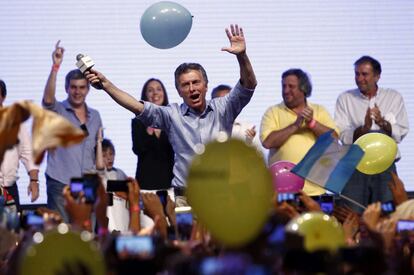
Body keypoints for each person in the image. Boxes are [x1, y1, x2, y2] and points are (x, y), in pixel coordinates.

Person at [85, 24, 257, 205]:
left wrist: (242, 56)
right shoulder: (171, 115)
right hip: (184, 198)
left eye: (196, 82)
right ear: (178, 90)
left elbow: (249, 85)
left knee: (220, 234)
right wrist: (107, 85)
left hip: (220, 195)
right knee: (183, 235)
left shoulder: (224, 108)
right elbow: (136, 106)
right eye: (185, 85)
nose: (192, 89)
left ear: (205, 85)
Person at [334, 55, 409, 212]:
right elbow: (342, 135)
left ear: (377, 76)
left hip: (385, 164)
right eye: (357, 74)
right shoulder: (345, 99)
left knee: (387, 213)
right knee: (351, 213)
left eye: (364, 74)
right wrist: (364, 128)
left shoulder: (393, 97)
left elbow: (401, 131)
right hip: (355, 165)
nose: (360, 78)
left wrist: (382, 122)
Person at [42, 41, 103, 221]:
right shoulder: (58, 110)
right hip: (60, 183)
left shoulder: (96, 116)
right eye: (73, 87)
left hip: (87, 184)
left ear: (88, 89)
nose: (77, 91)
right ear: (67, 88)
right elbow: (47, 100)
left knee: (88, 232)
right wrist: (55, 66)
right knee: (62, 232)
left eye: (82, 87)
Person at [260, 69, 338, 196]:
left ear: (304, 89)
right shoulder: (273, 112)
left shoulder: (319, 110)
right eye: (283, 86)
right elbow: (268, 142)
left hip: (315, 189)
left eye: (291, 87)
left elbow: (334, 139)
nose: (286, 91)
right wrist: (296, 125)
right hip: (282, 189)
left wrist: (312, 123)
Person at [0, 79, 40, 211]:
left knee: (12, 229)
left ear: (3, 97)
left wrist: (34, 181)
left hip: (9, 189)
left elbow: (28, 153)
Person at [95, 130, 129, 233]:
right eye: (104, 155)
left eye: (111, 154)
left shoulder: (120, 173)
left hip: (122, 216)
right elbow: (100, 168)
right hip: (109, 217)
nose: (109, 158)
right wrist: (99, 142)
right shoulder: (99, 174)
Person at [211, 84, 260, 149]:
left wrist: (249, 142)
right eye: (222, 101)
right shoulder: (206, 128)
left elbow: (257, 155)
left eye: (230, 100)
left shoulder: (248, 128)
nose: (226, 104)